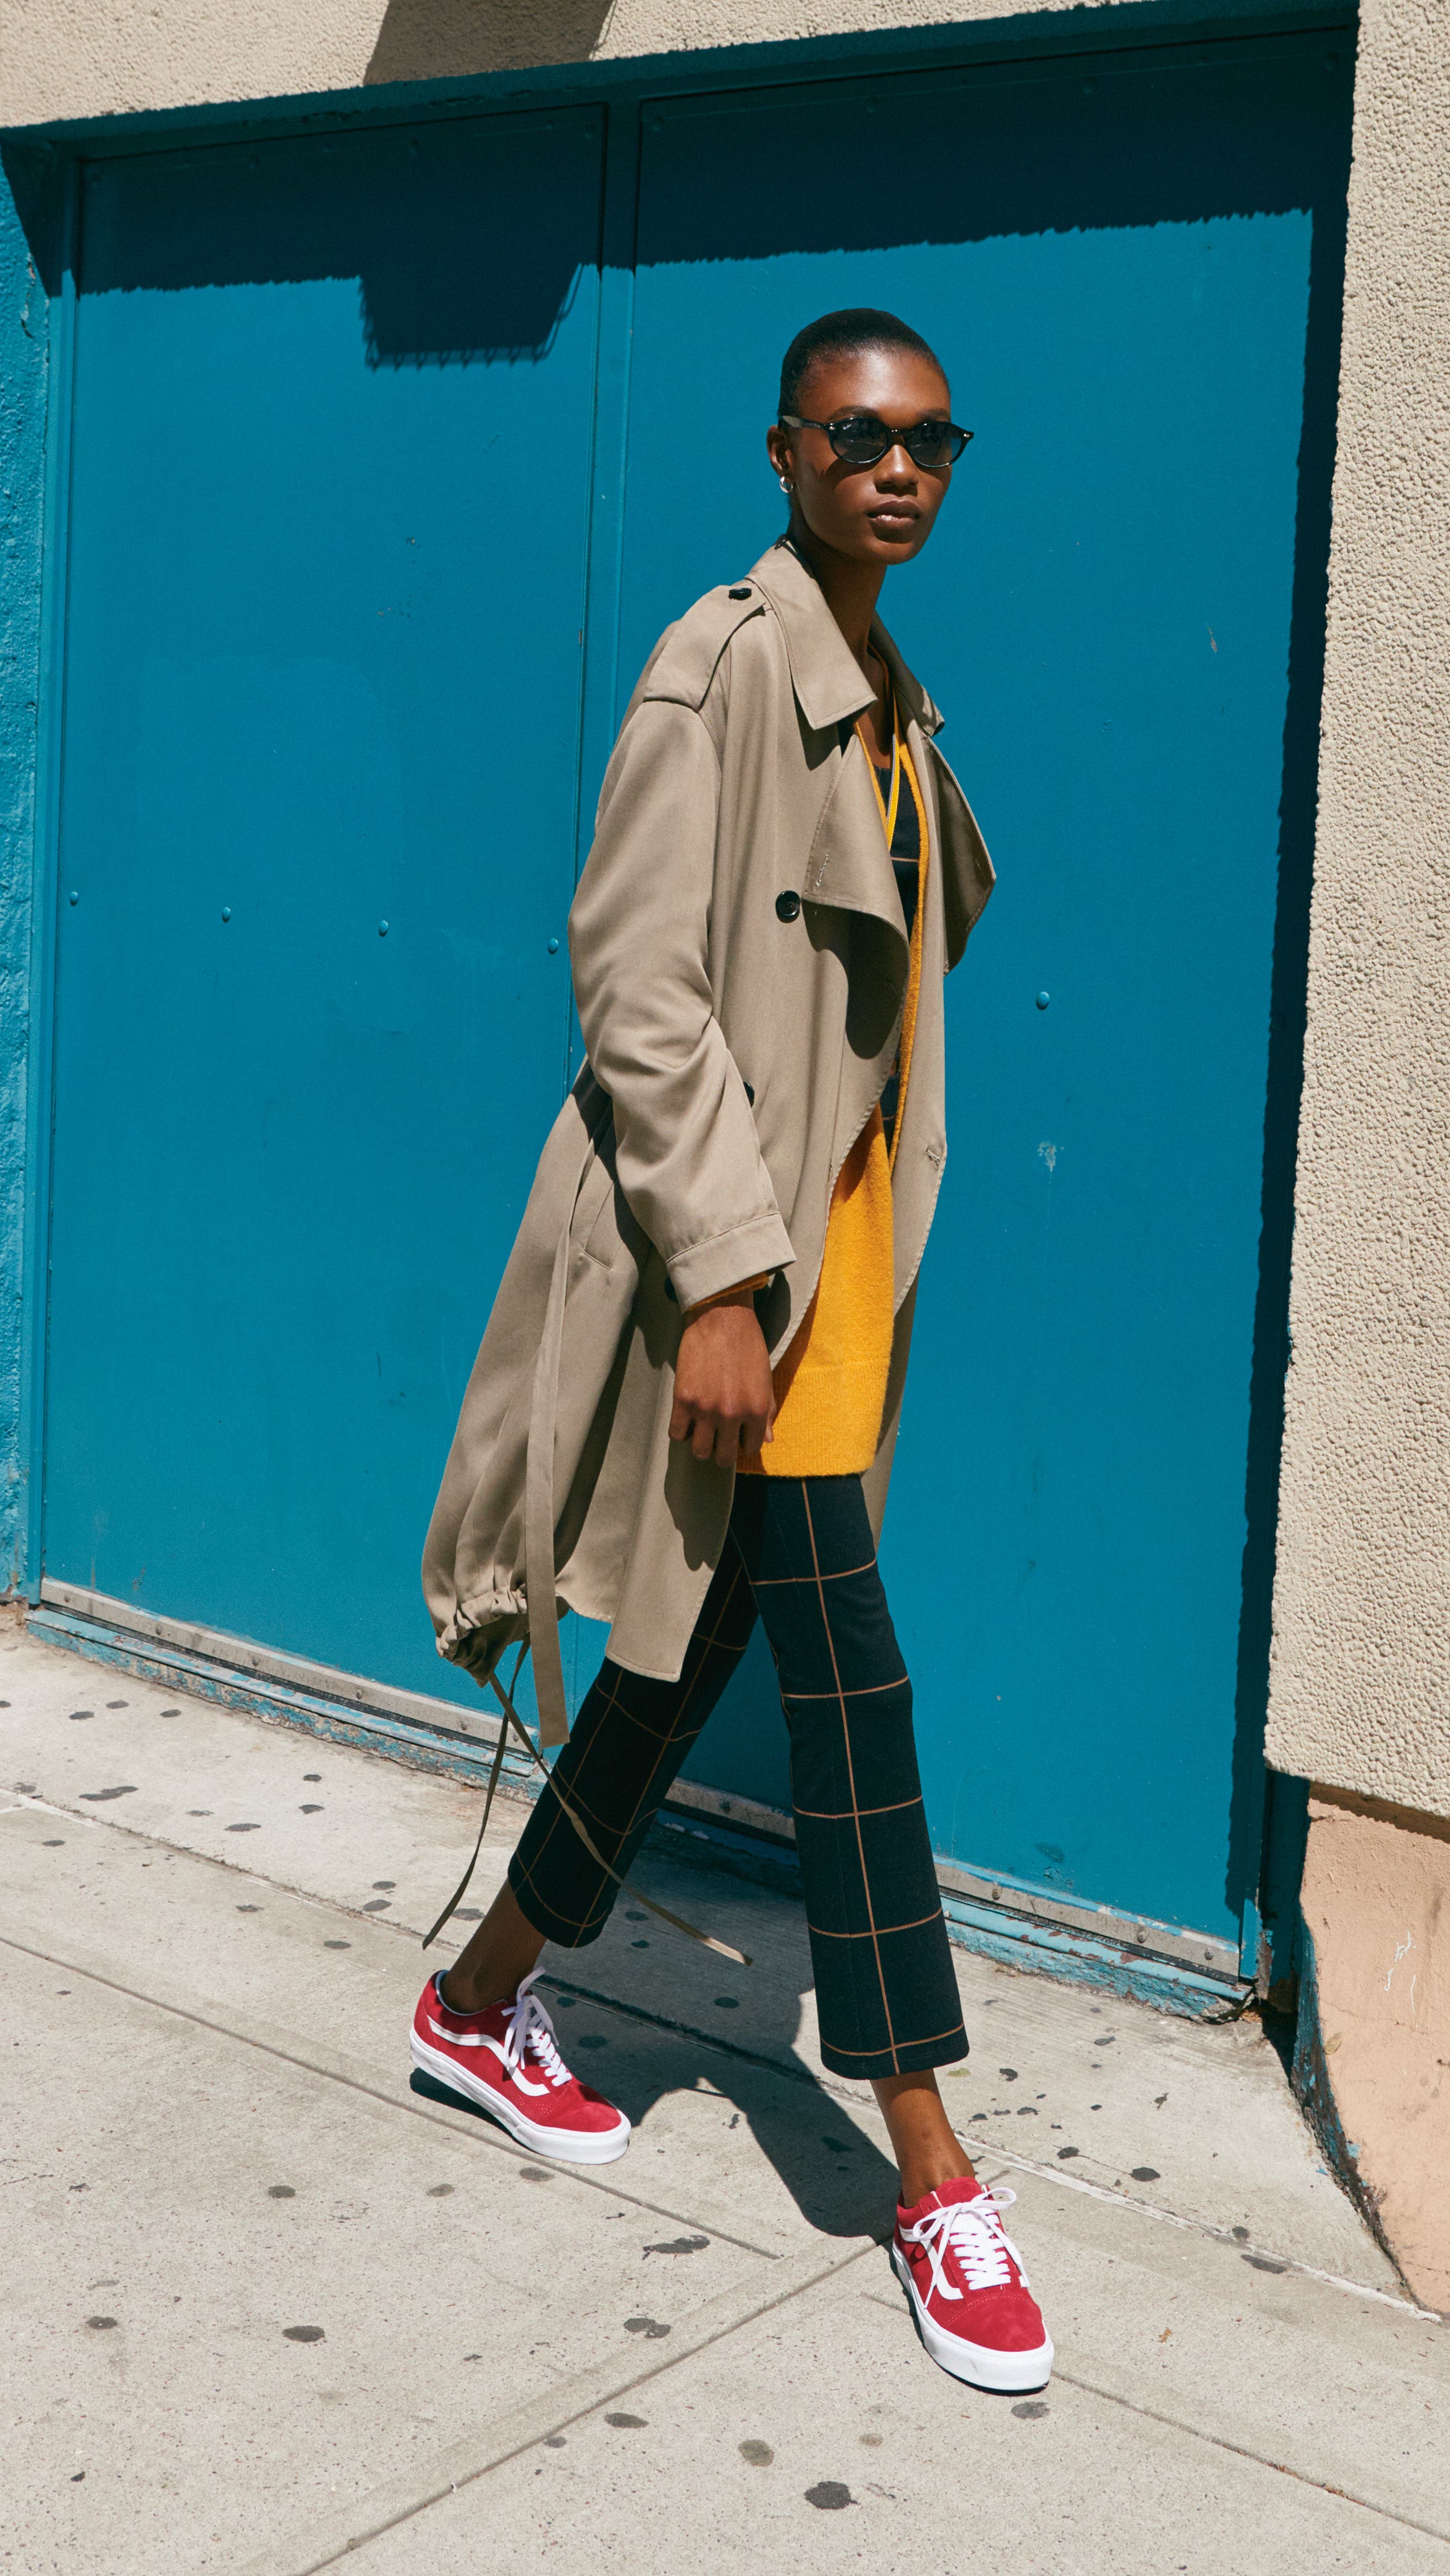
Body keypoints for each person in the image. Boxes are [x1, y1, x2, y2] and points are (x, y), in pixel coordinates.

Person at [414, 308, 1052, 2395]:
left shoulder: (877, 687)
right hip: (751, 1274)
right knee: (852, 1702)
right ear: (783, 452)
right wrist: (713, 1277)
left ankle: (480, 1992)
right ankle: (931, 2173)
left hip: (840, 1274)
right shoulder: (724, 664)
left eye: (932, 440)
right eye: (860, 435)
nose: (900, 467)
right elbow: (635, 986)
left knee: (677, 1675)